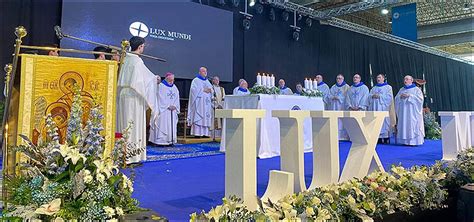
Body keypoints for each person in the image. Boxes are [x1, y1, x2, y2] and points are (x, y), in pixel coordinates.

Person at [116, 36, 160, 164]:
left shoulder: (126, 58)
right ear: (140, 46)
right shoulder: (136, 61)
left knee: (124, 124)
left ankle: (121, 153)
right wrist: (155, 78)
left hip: (124, 94)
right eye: (143, 46)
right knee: (132, 124)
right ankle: (132, 156)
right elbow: (141, 81)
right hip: (134, 96)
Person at [149, 72, 180, 146]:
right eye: (170, 80)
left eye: (173, 80)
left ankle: (170, 140)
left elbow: (177, 98)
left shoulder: (175, 87)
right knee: (163, 124)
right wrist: (167, 105)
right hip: (163, 110)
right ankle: (160, 141)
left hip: (172, 111)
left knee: (171, 125)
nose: (171, 82)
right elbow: (160, 98)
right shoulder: (161, 86)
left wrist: (175, 106)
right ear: (166, 79)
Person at [395, 75, 424, 146]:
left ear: (411, 80)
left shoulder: (416, 89)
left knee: (412, 124)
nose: (405, 80)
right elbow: (396, 98)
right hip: (403, 112)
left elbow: (420, 100)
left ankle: (414, 141)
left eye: (407, 79)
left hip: (412, 112)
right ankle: (404, 141)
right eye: (405, 79)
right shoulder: (401, 89)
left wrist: (410, 96)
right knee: (404, 123)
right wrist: (400, 97)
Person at [187, 67, 213, 138]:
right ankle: (197, 133)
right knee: (199, 116)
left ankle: (205, 133)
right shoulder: (196, 80)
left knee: (205, 117)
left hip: (206, 103)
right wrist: (203, 90)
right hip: (199, 103)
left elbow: (211, 89)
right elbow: (193, 91)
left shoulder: (207, 81)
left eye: (206, 71)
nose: (205, 73)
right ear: (200, 72)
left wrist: (210, 90)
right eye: (203, 71)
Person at [369, 74, 393, 144]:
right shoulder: (374, 88)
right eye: (377, 77)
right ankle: (378, 138)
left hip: (383, 108)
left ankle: (386, 138)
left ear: (383, 79)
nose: (378, 79)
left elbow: (389, 97)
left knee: (384, 122)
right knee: (376, 121)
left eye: (379, 77)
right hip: (375, 108)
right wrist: (372, 96)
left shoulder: (388, 87)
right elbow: (369, 96)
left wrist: (380, 96)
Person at [328, 74, 350, 140]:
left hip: (341, 106)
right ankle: (335, 135)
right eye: (337, 78)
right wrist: (332, 97)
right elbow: (329, 95)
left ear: (343, 79)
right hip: (334, 106)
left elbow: (348, 97)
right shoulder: (333, 87)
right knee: (335, 120)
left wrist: (339, 98)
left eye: (340, 78)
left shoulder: (346, 87)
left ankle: (343, 136)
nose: (338, 80)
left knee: (341, 120)